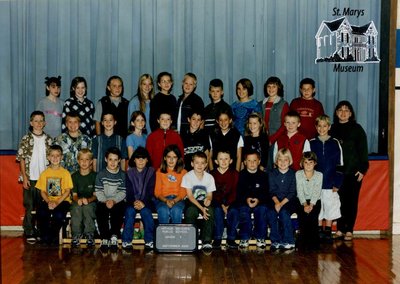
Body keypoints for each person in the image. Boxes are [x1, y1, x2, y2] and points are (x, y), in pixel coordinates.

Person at [330, 101, 369, 241]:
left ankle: (349, 230)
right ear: (336, 113)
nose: (343, 112)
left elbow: (363, 151)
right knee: (338, 201)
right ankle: (340, 228)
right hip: (337, 173)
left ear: (351, 113)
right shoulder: (332, 129)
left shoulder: (357, 129)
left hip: (353, 172)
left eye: (347, 110)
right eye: (340, 110)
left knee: (351, 202)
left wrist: (362, 169)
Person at [16, 111, 53, 243]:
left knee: (42, 206)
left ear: (44, 123)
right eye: (36, 121)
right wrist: (24, 177)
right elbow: (21, 159)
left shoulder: (49, 139)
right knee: (30, 205)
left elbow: (53, 160)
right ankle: (29, 230)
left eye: (41, 121)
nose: (38, 123)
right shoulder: (26, 139)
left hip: (44, 179)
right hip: (30, 178)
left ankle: (41, 230)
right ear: (31, 123)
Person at [310, 115, 343, 243]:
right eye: (319, 126)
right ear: (316, 127)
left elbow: (340, 164)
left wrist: (338, 182)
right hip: (316, 184)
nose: (322, 128)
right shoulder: (311, 143)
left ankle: (328, 231)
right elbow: (307, 163)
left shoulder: (335, 143)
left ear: (329, 127)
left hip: (331, 183)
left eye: (325, 126)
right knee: (318, 207)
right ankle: (318, 231)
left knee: (330, 206)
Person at [35, 145, 73, 245]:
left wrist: (56, 202)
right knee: (42, 213)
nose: (55, 158)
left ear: (61, 157)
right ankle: (45, 235)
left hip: (62, 201)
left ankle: (52, 235)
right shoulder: (44, 173)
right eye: (52, 155)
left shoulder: (65, 173)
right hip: (48, 200)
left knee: (59, 215)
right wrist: (48, 201)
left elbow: (67, 191)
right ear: (48, 157)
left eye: (57, 156)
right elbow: (42, 191)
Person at [122, 147, 156, 250]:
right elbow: (129, 191)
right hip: (132, 202)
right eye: (138, 158)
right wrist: (134, 203)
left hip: (147, 202)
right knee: (129, 213)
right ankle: (126, 241)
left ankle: (149, 241)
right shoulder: (129, 173)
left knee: (146, 213)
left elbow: (151, 190)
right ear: (134, 160)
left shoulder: (151, 172)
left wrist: (143, 203)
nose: (140, 161)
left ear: (147, 160)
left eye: (143, 158)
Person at [235, 150, 269, 249]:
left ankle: (260, 237)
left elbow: (266, 192)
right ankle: (244, 237)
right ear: (245, 162)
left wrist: (258, 200)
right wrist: (247, 199)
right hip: (245, 201)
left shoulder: (263, 175)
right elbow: (239, 192)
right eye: (249, 161)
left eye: (254, 160)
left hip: (260, 201)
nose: (252, 163)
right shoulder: (241, 175)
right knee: (244, 211)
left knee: (262, 210)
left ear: (259, 161)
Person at [182, 152, 216, 251]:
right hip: (191, 201)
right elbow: (190, 196)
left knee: (209, 211)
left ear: (206, 165)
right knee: (190, 212)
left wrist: (208, 200)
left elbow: (210, 195)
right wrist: (201, 208)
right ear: (192, 164)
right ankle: (191, 239)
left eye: (202, 163)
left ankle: (207, 241)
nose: (200, 165)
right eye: (197, 163)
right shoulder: (187, 176)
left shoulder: (209, 177)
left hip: (203, 202)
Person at [95, 147, 126, 251]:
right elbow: (98, 191)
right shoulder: (101, 174)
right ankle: (104, 237)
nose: (113, 162)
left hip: (117, 201)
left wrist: (114, 201)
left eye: (115, 160)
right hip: (104, 200)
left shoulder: (122, 175)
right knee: (100, 210)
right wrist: (105, 201)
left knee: (119, 210)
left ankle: (114, 235)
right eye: (110, 159)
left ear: (119, 161)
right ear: (105, 159)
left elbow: (123, 192)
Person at [210, 150, 239, 249]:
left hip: (232, 201)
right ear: (216, 161)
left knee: (234, 211)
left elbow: (235, 191)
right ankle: (217, 238)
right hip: (217, 201)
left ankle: (231, 238)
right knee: (217, 211)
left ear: (231, 161)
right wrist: (222, 204)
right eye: (221, 159)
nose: (223, 161)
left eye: (226, 159)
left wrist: (228, 204)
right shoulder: (212, 174)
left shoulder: (234, 173)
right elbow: (212, 193)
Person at [268, 148, 296, 250]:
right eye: (280, 159)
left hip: (289, 200)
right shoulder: (272, 173)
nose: (283, 162)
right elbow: (271, 190)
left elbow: (292, 192)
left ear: (290, 161)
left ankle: (289, 240)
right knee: (271, 212)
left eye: (286, 160)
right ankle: (275, 240)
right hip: (275, 199)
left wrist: (281, 204)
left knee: (284, 213)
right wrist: (276, 202)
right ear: (276, 161)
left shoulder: (293, 174)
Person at [259, 76, 289, 169]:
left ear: (278, 88)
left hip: (277, 139)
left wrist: (271, 139)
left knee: (274, 165)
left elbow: (285, 125)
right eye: (269, 86)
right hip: (263, 139)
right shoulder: (261, 103)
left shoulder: (283, 104)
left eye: (274, 86)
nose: (271, 89)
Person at [70, 149, 97, 247]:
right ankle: (76, 235)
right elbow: (74, 196)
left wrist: (88, 200)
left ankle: (89, 234)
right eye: (82, 159)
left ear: (91, 162)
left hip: (91, 201)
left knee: (88, 208)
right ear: (78, 161)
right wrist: (78, 200)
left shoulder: (95, 176)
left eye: (87, 159)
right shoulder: (74, 176)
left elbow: (95, 195)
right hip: (77, 201)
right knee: (76, 208)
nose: (84, 162)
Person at [154, 145, 187, 224]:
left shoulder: (184, 172)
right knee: (163, 210)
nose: (171, 160)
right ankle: (164, 236)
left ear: (178, 159)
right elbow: (157, 192)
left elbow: (183, 192)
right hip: (162, 199)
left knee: (176, 210)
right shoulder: (159, 172)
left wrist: (174, 201)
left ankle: (176, 235)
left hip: (178, 200)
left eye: (174, 157)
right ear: (165, 158)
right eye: (169, 157)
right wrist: (166, 201)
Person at [295, 151, 322, 250]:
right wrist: (305, 204)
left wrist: (311, 205)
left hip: (315, 201)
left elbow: (317, 192)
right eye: (306, 162)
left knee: (313, 218)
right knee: (303, 218)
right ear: (302, 163)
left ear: (315, 163)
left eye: (311, 162)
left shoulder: (319, 175)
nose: (308, 165)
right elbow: (299, 191)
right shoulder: (298, 174)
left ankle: (314, 243)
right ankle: (302, 241)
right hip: (302, 201)